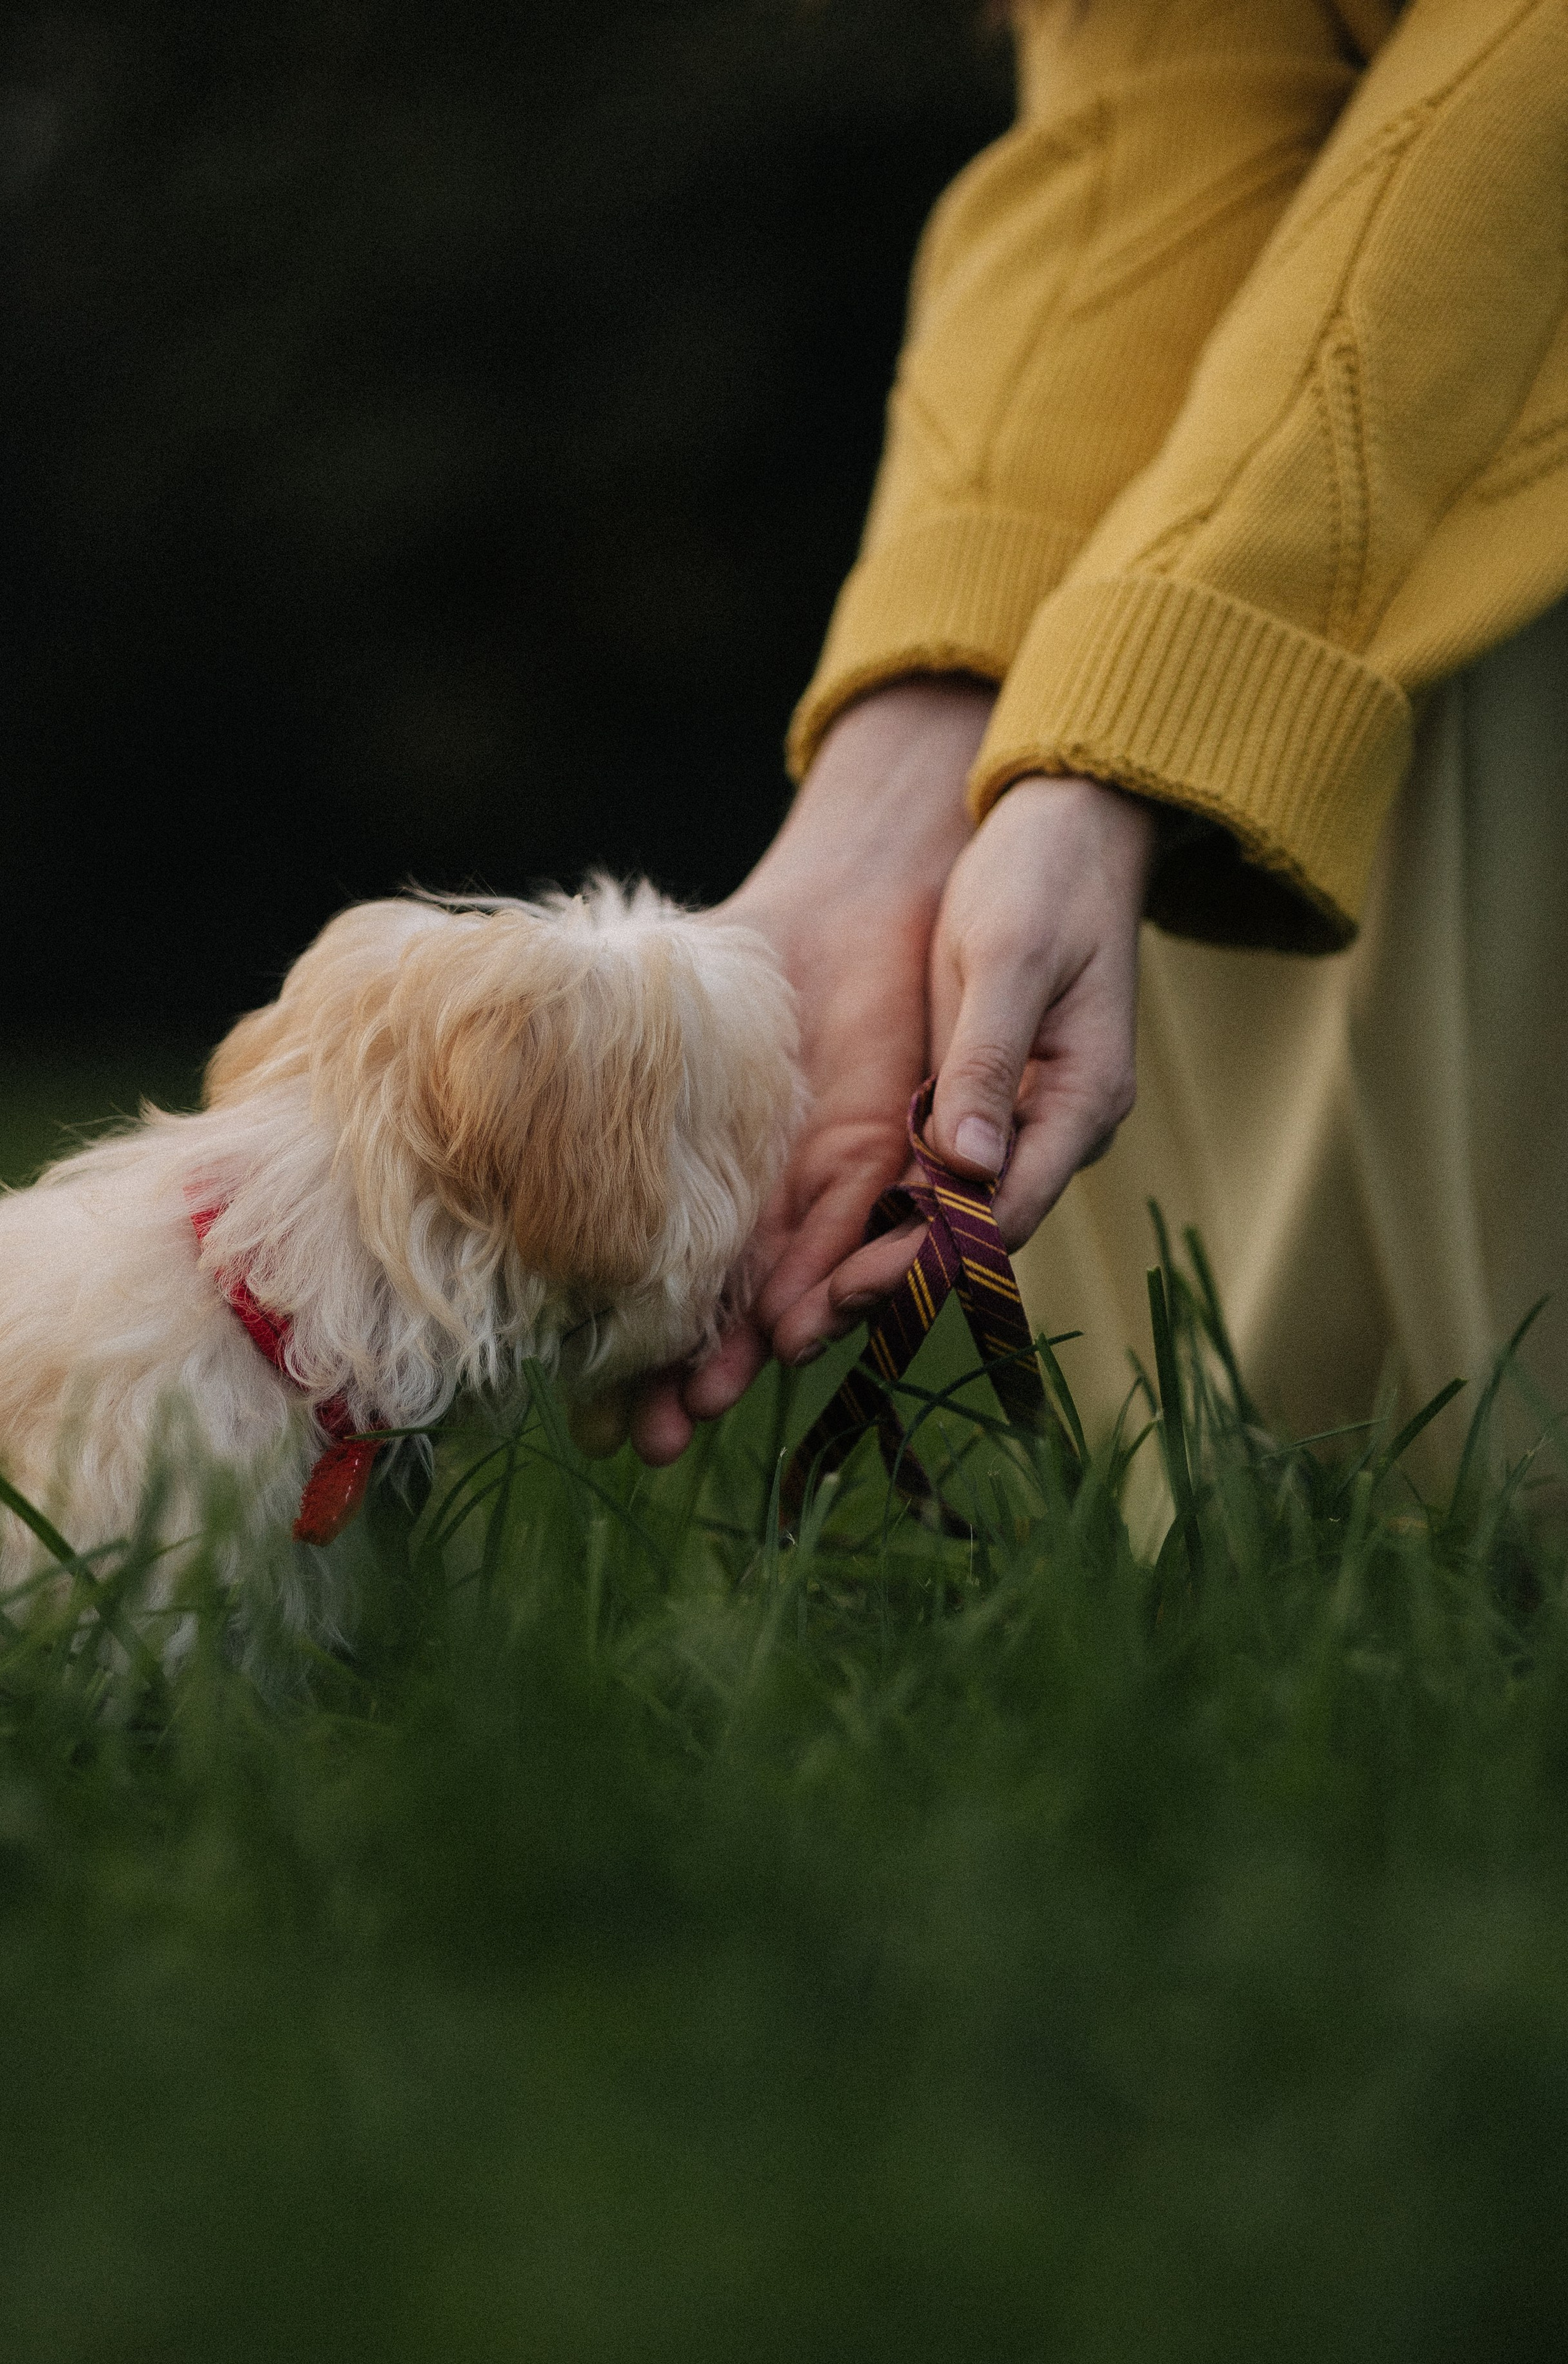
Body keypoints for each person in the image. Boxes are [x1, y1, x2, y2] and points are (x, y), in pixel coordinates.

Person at [632, 0, 1568, 1483]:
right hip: (1306, 445)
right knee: (1037, 856)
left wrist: (1138, 710)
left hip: (1476, 420)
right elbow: (1161, 94)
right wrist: (894, 799)